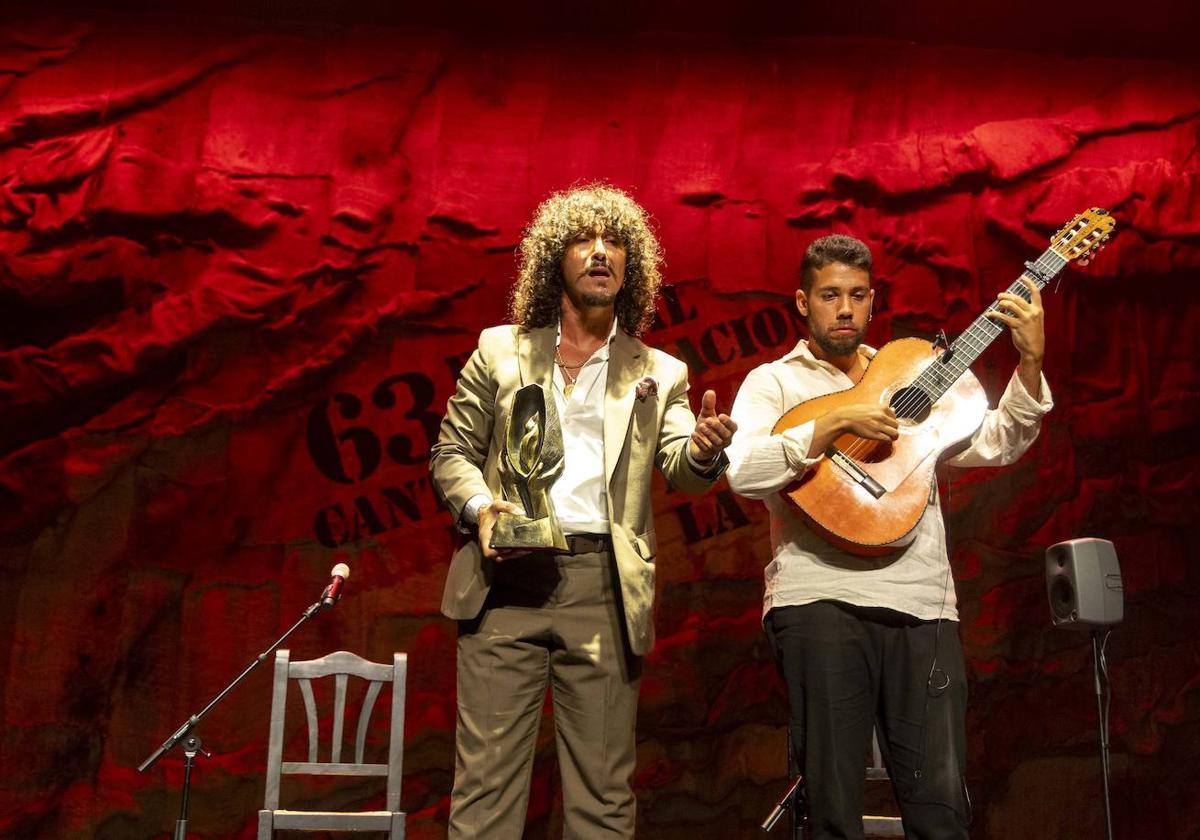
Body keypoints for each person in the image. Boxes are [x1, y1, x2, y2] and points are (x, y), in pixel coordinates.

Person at [430, 183, 737, 839]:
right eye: (584, 239)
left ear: (633, 267)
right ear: (554, 260)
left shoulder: (660, 373)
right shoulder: (498, 351)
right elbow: (451, 452)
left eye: (616, 242)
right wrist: (481, 509)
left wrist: (707, 453)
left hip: (601, 589)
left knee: (601, 799)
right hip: (504, 583)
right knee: (484, 794)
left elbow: (683, 463)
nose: (601, 252)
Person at [725, 234, 1052, 839]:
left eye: (856, 296)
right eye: (829, 296)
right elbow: (744, 470)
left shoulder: (909, 370)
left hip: (922, 603)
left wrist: (1028, 363)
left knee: (941, 811)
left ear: (873, 301)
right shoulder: (772, 383)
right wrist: (834, 421)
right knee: (833, 811)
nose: (844, 309)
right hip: (817, 599)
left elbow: (998, 442)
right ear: (803, 302)